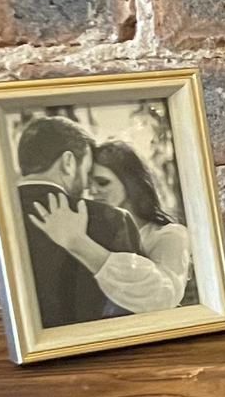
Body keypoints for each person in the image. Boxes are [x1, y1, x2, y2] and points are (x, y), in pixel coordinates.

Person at [31, 136, 194, 315]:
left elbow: (164, 296)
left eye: (102, 182)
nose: (92, 192)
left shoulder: (169, 235)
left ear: (130, 182)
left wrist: (79, 244)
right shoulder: (88, 233)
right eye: (88, 185)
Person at [12, 116, 141, 331]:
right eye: (87, 170)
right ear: (68, 162)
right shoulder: (111, 219)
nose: (88, 185)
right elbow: (137, 305)